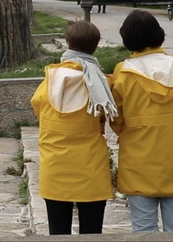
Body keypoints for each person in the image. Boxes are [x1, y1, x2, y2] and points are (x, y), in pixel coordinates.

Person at [110, 10, 173, 233]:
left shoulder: (124, 72)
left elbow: (116, 119)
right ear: (159, 35)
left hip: (138, 163)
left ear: (127, 39)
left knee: (143, 229)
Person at [30, 21, 118, 235]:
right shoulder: (102, 83)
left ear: (68, 44)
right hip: (91, 169)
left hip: (55, 167)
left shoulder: (49, 81)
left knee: (58, 233)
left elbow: (39, 109)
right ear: (95, 47)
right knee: (92, 233)